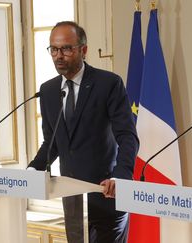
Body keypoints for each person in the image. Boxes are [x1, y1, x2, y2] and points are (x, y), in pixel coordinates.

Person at [27, 21, 139, 243]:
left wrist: (121, 176)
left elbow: (128, 137)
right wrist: (33, 169)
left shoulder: (108, 83)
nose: (59, 55)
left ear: (83, 50)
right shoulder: (48, 91)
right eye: (54, 49)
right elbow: (53, 142)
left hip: (107, 195)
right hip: (72, 199)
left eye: (66, 48)